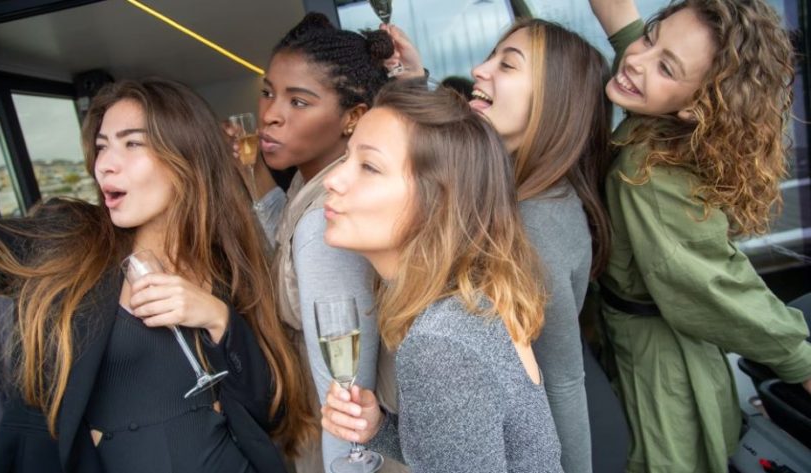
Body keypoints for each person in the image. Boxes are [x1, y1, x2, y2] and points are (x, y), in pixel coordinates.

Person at [0, 78, 314, 472]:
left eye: (132, 143)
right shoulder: (74, 242)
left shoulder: (227, 262)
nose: (105, 163)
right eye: (102, 146)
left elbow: (270, 410)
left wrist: (219, 319)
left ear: (187, 156)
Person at [379, 18, 626, 472]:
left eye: (507, 65)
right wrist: (413, 81)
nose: (479, 69)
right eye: (491, 56)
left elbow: (563, 377)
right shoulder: (518, 192)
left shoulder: (534, 225)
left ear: (554, 103)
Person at [588, 0, 811, 471]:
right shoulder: (664, 104)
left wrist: (800, 359)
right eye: (650, 37)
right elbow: (637, 39)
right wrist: (647, 45)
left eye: (665, 66)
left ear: (697, 106)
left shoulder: (648, 174)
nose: (637, 59)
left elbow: (715, 285)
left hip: (660, 375)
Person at [321, 80, 561, 472]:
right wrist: (378, 427)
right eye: (346, 157)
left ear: (437, 201)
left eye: (369, 166)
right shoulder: (471, 302)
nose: (332, 179)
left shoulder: (440, 344)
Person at [243, 12, 406, 473]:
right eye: (268, 92)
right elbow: (285, 235)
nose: (270, 114)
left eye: (298, 101)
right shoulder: (311, 180)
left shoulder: (329, 221)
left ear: (353, 117)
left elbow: (346, 393)